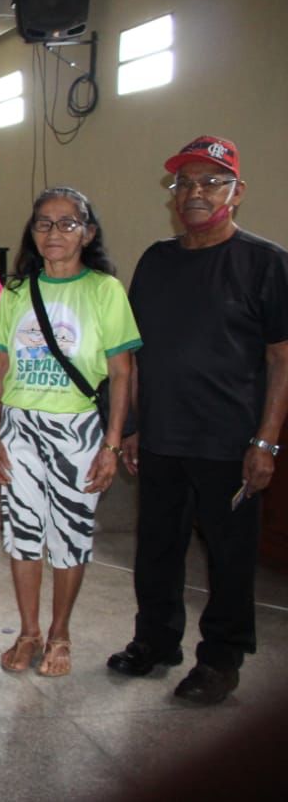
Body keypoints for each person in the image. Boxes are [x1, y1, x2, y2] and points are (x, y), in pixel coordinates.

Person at [108, 136, 288, 704]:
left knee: (230, 556)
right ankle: (156, 641)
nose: (194, 193)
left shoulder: (266, 263)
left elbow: (282, 360)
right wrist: (134, 424)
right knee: (156, 548)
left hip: (229, 442)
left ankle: (221, 659)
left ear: (237, 192)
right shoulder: (157, 261)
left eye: (211, 181)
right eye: (184, 183)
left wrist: (267, 442)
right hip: (162, 437)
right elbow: (136, 353)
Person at [0, 186, 139, 677]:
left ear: (88, 233)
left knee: (69, 536)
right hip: (18, 426)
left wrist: (111, 445)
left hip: (77, 430)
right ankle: (29, 632)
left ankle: (60, 633)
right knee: (23, 535)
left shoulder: (104, 290)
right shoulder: (14, 292)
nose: (55, 233)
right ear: (32, 233)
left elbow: (121, 373)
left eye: (68, 223)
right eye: (44, 223)